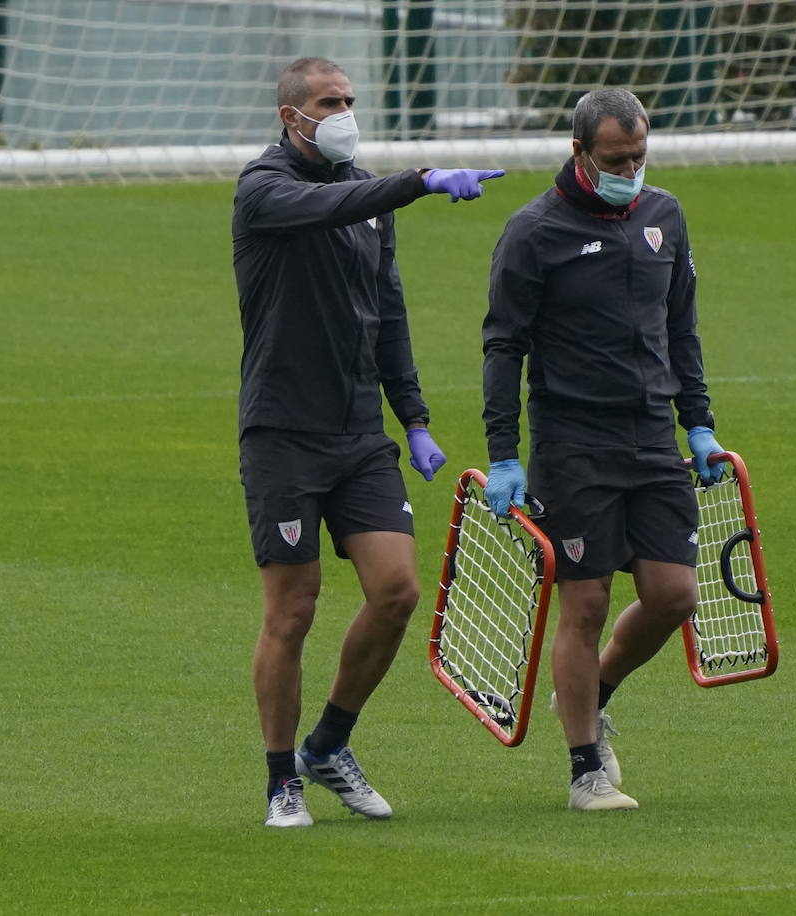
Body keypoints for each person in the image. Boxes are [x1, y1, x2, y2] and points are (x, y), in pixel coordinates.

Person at [233, 57, 505, 828]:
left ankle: (329, 745)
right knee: (293, 609)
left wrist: (413, 418)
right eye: (329, 102)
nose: (345, 111)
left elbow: (387, 314)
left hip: (360, 433)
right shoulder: (263, 189)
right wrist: (420, 180)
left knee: (397, 591)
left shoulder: (370, 201)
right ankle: (281, 778)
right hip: (283, 432)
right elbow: (329, 207)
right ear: (293, 116)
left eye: (351, 99)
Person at [480, 88, 728, 811]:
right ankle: (585, 768)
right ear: (579, 152)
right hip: (574, 443)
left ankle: (591, 693)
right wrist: (505, 453)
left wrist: (699, 423)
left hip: (651, 436)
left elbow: (680, 328)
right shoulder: (533, 232)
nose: (631, 169)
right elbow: (503, 346)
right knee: (584, 605)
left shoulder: (665, 216)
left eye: (640, 156)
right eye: (617, 159)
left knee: (673, 595)